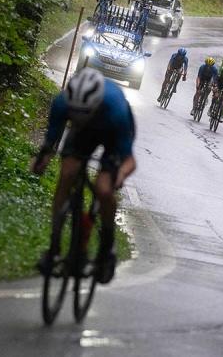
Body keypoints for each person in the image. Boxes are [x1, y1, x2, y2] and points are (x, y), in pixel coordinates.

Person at [31, 68, 137, 284]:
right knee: (67, 174)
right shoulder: (62, 103)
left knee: (104, 188)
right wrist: (42, 160)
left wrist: (119, 176)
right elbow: (50, 143)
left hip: (111, 133)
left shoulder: (116, 110)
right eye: (74, 114)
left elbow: (129, 161)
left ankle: (107, 248)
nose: (77, 118)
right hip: (83, 134)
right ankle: (54, 249)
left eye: (82, 114)